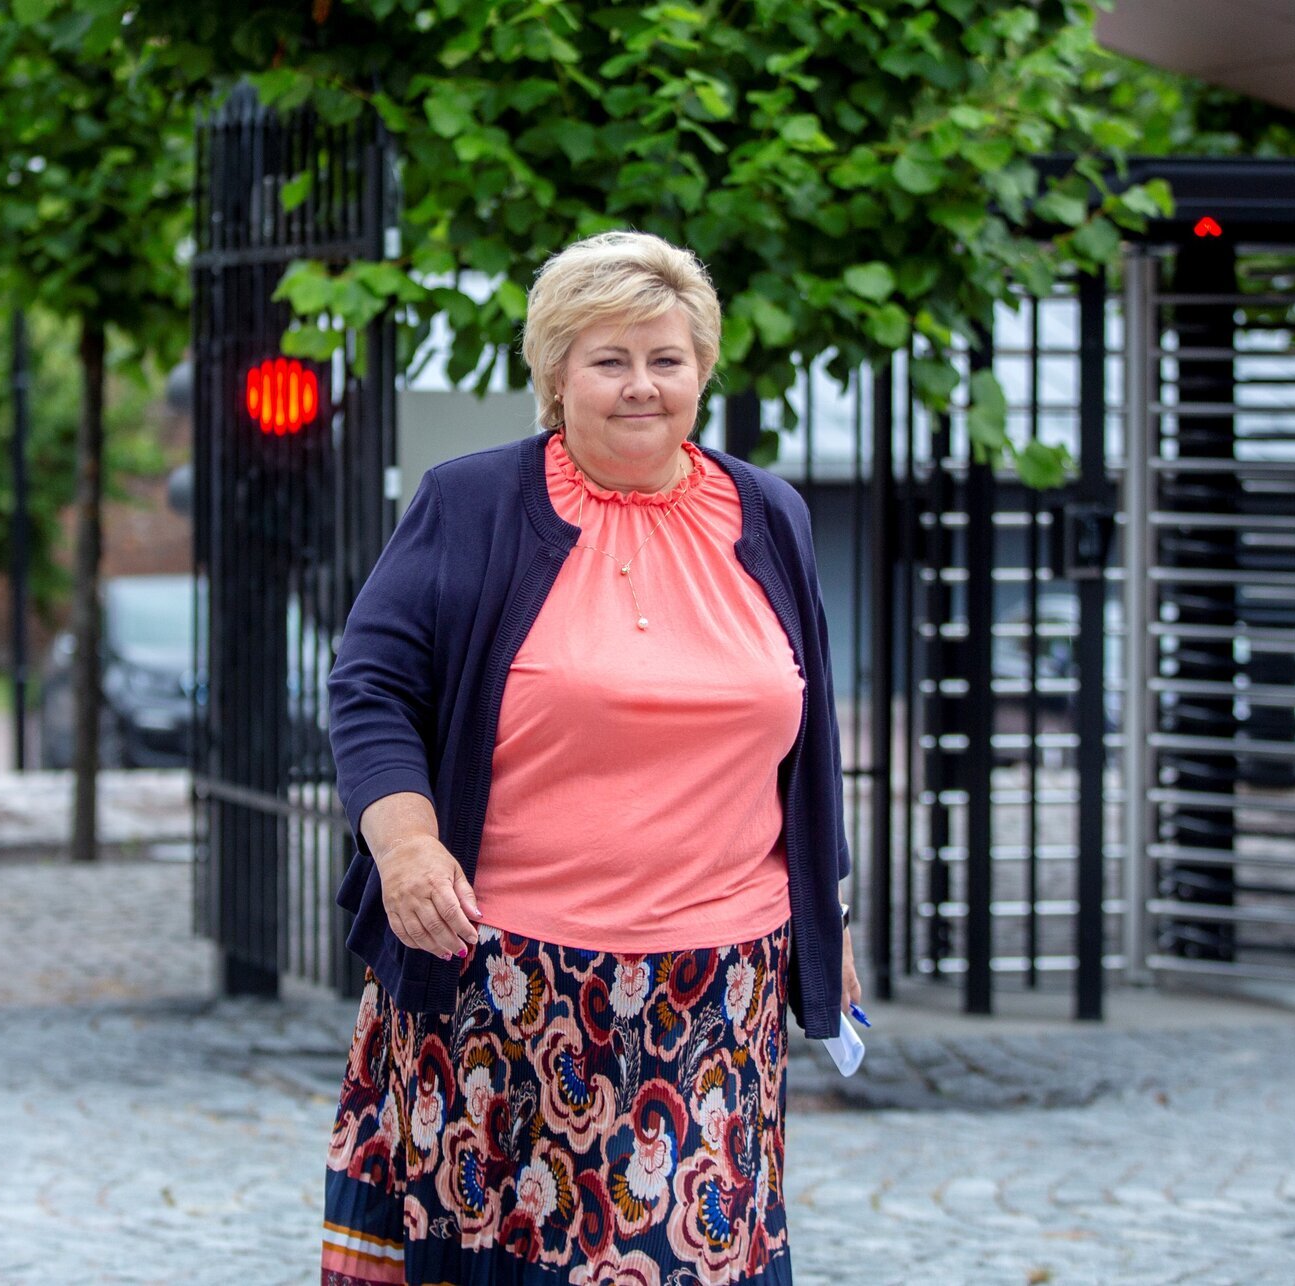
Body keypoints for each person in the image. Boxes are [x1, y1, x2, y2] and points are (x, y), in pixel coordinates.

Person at [321, 230, 860, 1286]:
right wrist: (408, 845)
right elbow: (371, 685)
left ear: (703, 368)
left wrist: (824, 910)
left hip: (715, 989)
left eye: (665, 358)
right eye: (608, 360)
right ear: (555, 373)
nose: (640, 386)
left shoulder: (772, 516)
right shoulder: (470, 505)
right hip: (502, 984)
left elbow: (808, 736)